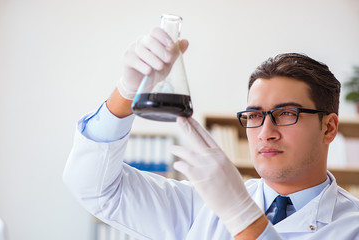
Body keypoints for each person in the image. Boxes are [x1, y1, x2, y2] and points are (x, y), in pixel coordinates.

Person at [63, 27, 359, 240]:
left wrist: (242, 216)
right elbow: (95, 188)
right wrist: (126, 92)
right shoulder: (202, 205)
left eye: (286, 114)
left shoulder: (352, 227)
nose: (265, 132)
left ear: (329, 128)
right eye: (255, 115)